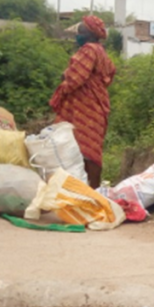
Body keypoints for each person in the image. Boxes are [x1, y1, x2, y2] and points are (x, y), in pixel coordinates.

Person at [49, 15, 116, 188]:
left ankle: (91, 190)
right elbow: (110, 73)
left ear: (88, 34)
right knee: (88, 149)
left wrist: (64, 80)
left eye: (80, 32)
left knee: (83, 149)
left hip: (85, 107)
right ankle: (88, 189)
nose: (76, 36)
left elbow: (75, 78)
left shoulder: (88, 50)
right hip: (95, 106)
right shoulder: (100, 50)